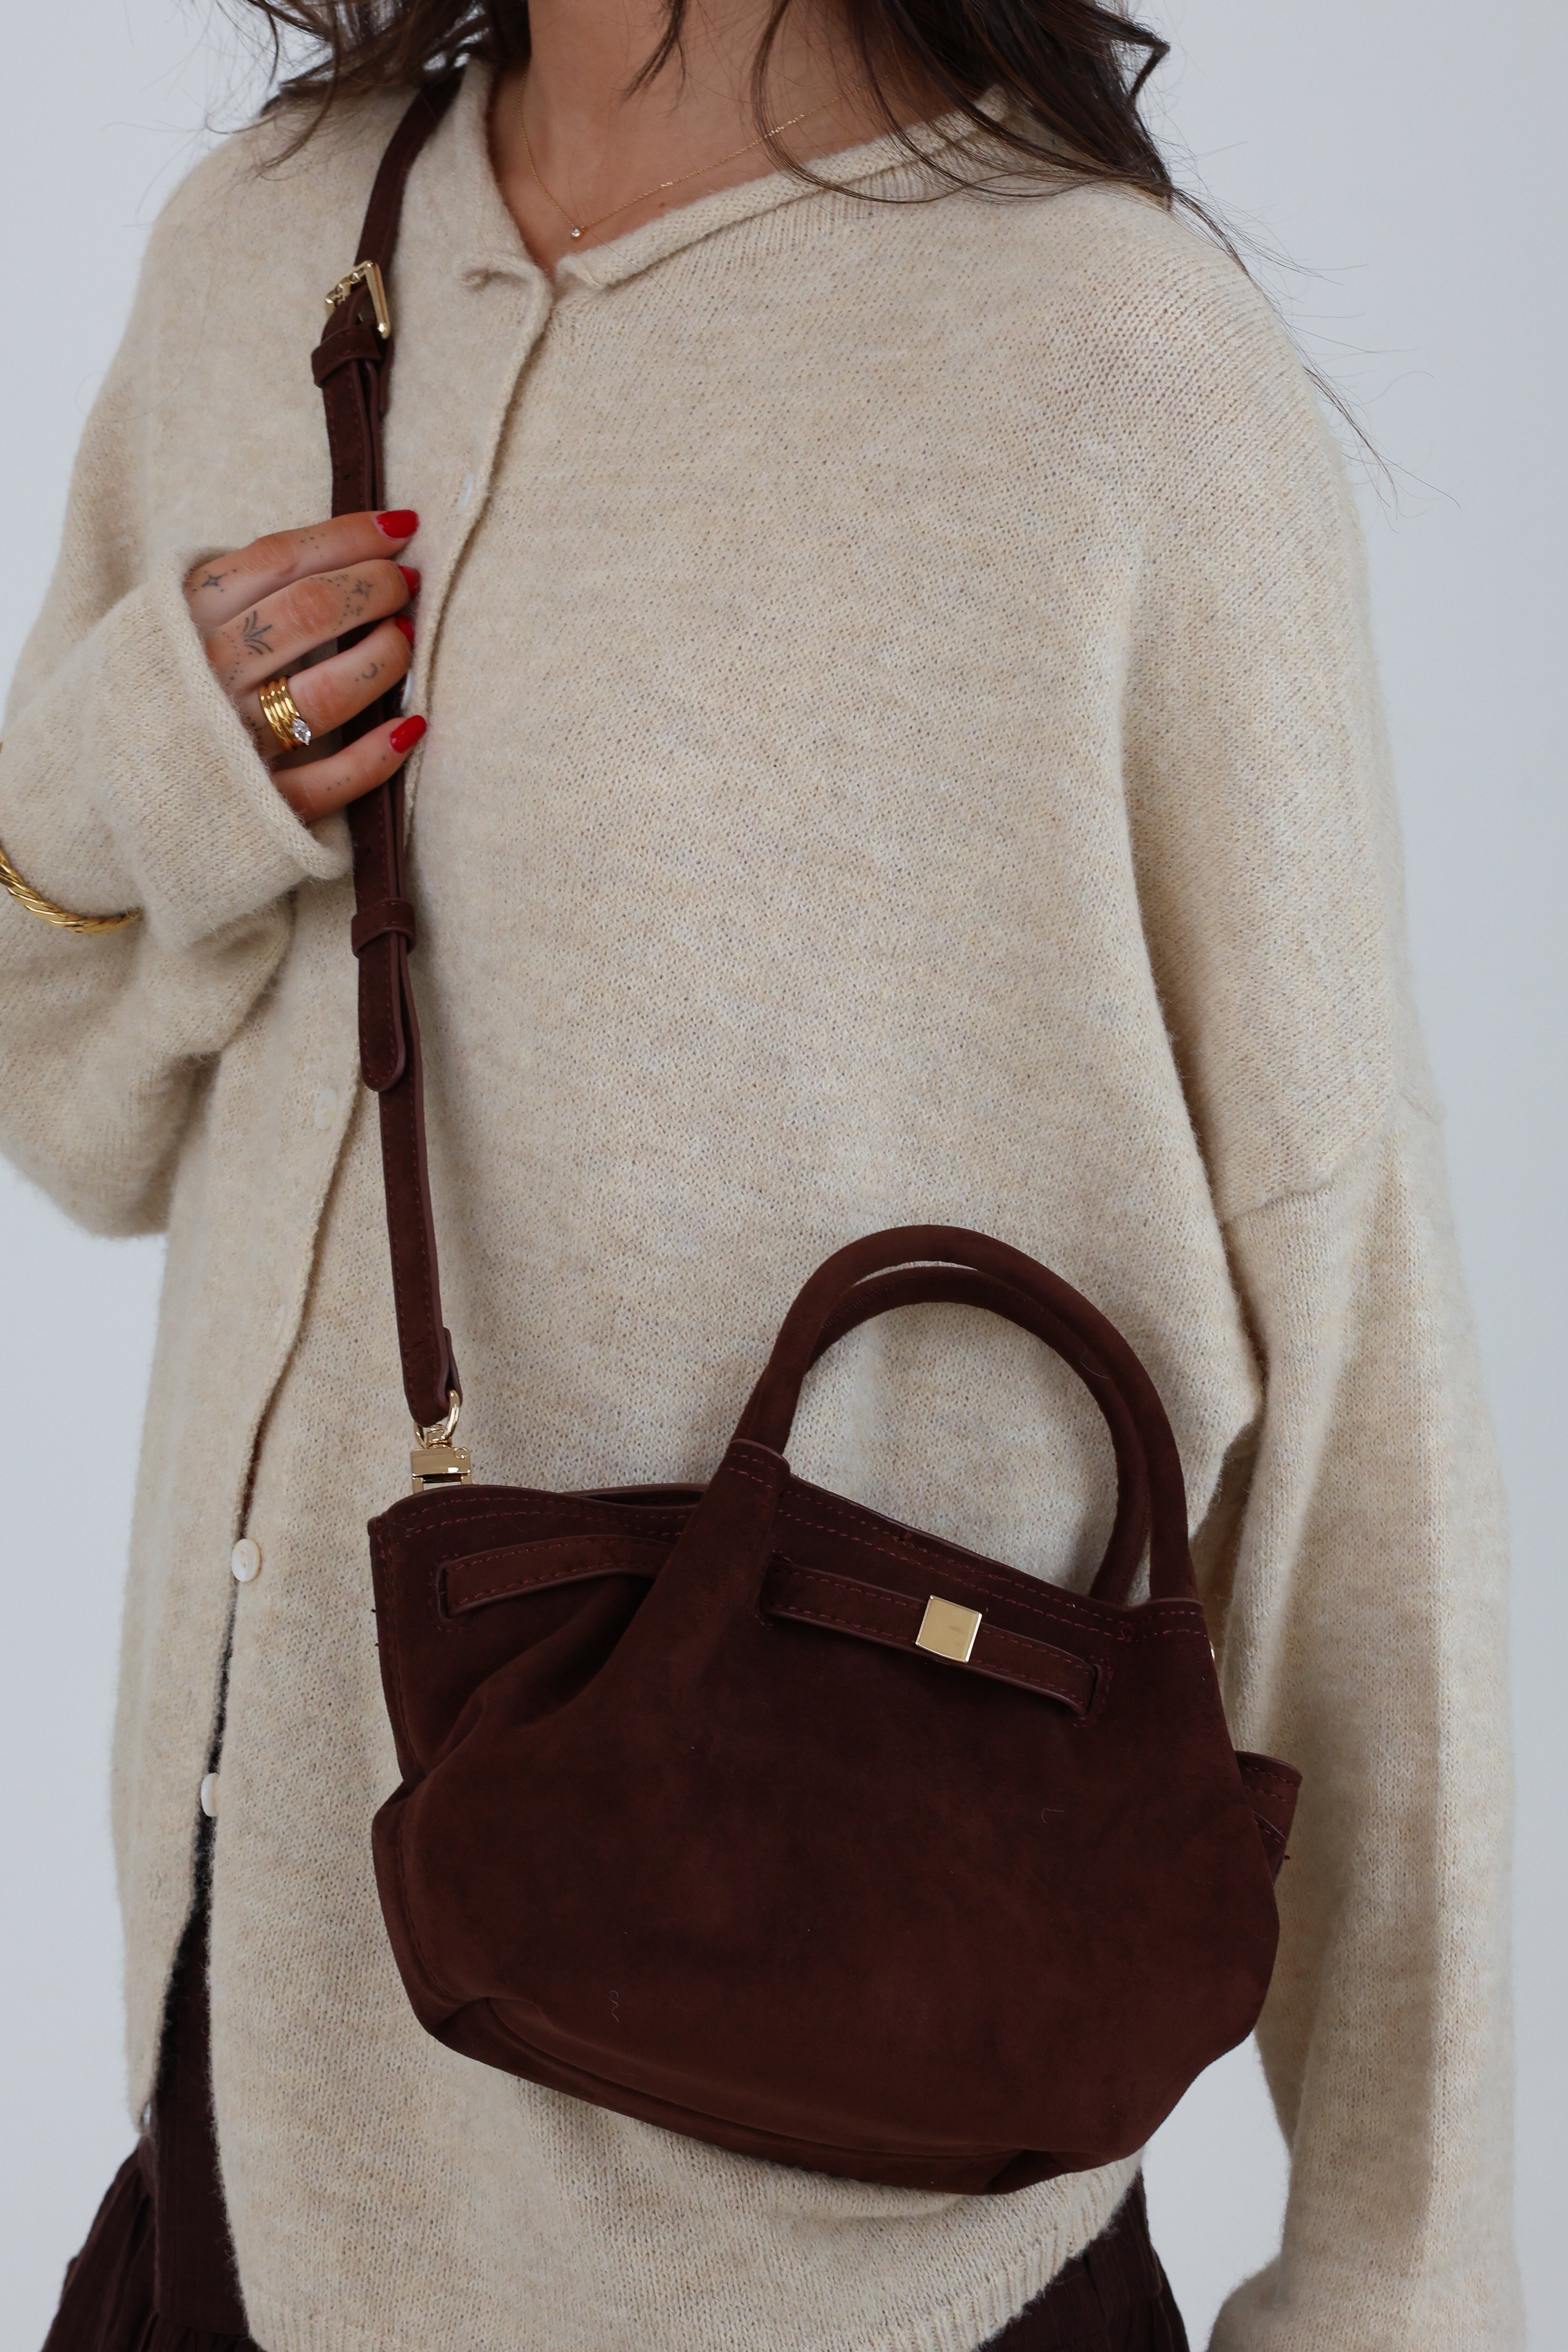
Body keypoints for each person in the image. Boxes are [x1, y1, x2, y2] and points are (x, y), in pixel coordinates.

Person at [0, 0, 1520, 2345]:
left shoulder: (1111, 364)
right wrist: (150, 766)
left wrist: (1396, 2283)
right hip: (259, 2144)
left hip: (862, 2214)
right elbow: (71, 1107)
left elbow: (1347, 1348)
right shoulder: (280, 243)